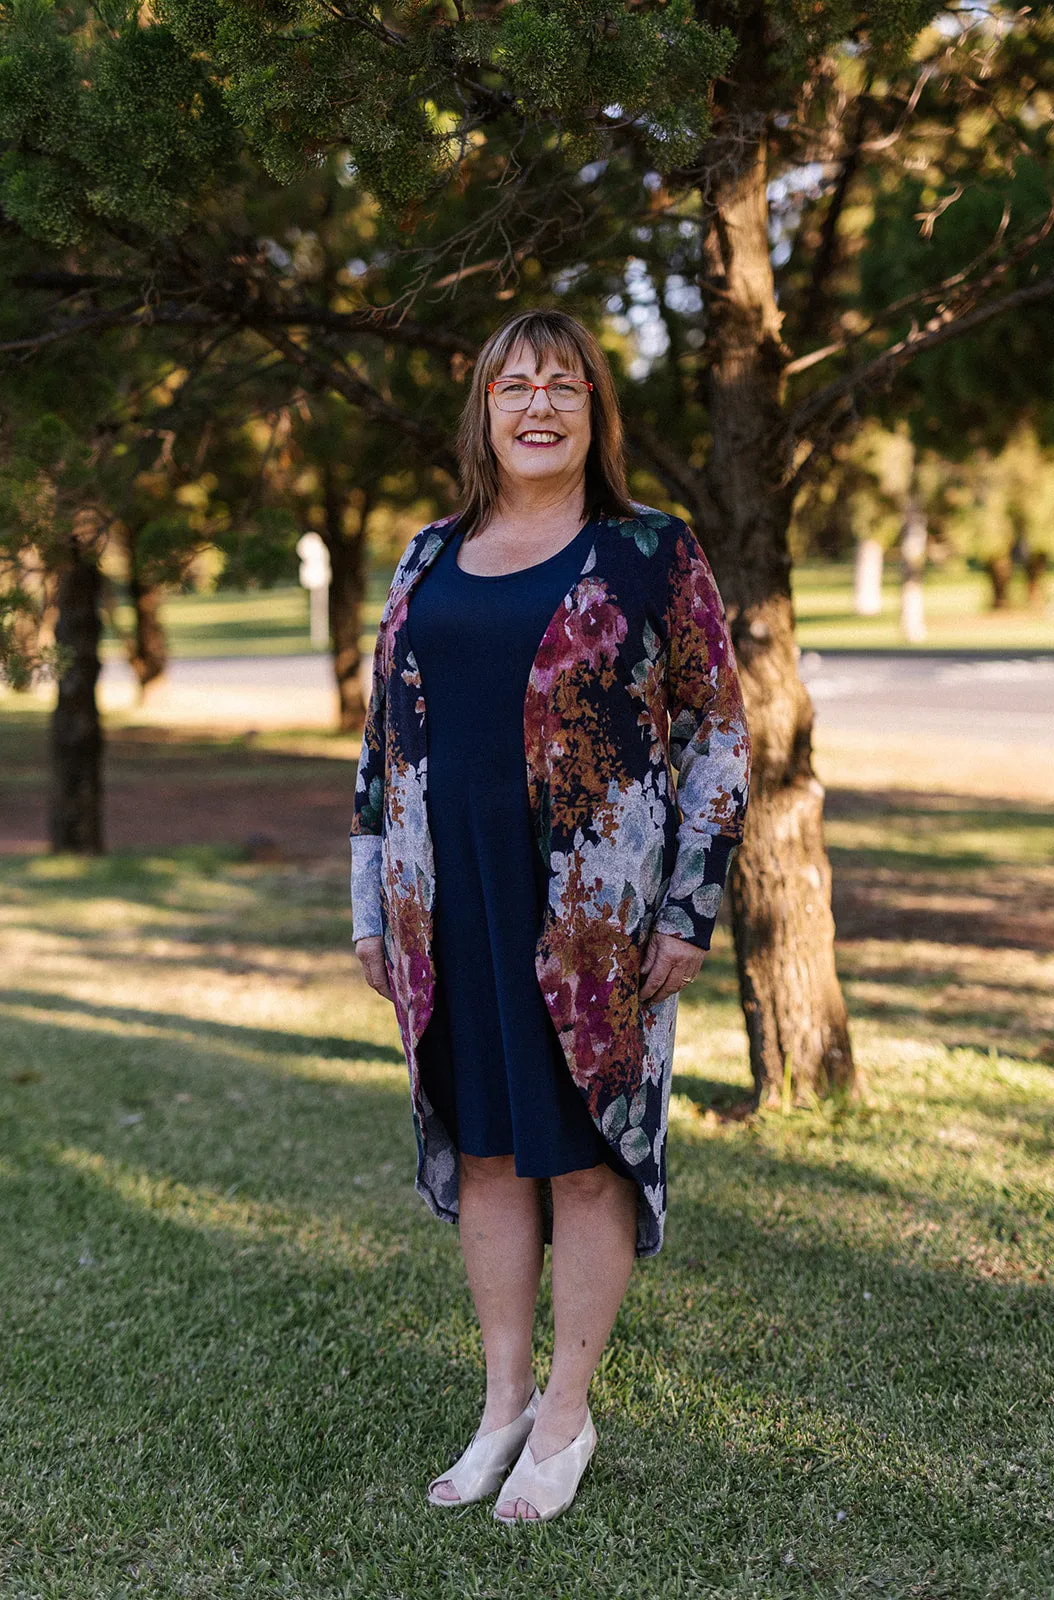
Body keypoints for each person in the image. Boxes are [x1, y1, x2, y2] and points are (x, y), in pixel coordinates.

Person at [350, 308, 750, 1523]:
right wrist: (370, 902)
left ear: (593, 411)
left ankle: (567, 1415)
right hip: (446, 906)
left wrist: (689, 902)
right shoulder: (426, 555)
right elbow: (378, 747)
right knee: (484, 1149)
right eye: (514, 386)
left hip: (594, 922)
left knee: (580, 1157)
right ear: (483, 411)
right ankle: (503, 1402)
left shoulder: (648, 551)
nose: (538, 406)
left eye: (563, 386)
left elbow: (717, 736)